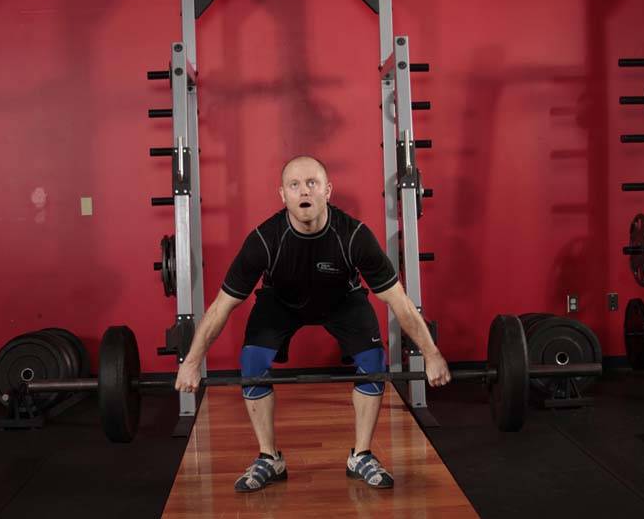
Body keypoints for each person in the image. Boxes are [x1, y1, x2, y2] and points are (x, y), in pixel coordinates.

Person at [174, 155, 450, 492]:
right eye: (295, 185)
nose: (304, 191)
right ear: (283, 195)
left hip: (342, 302)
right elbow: (221, 307)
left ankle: (361, 455)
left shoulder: (355, 236)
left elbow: (399, 302)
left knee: (374, 362)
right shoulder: (264, 240)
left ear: (327, 191)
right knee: (252, 362)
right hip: (281, 303)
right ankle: (269, 458)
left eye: (312, 183)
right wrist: (190, 363)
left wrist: (432, 354)